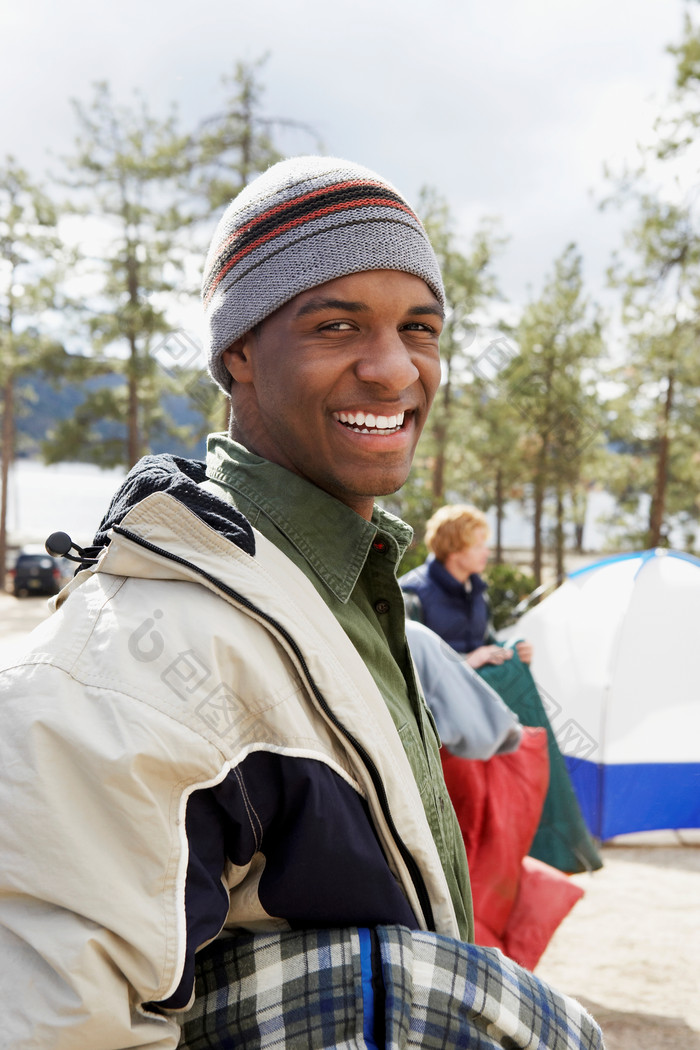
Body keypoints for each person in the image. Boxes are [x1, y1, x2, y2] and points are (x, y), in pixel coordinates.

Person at [0, 157, 604, 1049]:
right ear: (238, 351)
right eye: (337, 325)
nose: (395, 369)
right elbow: (62, 1024)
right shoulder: (126, 660)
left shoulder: (342, 593)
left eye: (420, 328)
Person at [400, 503, 603, 875]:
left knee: (517, 774)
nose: (486, 552)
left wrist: (510, 651)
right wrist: (468, 661)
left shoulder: (478, 592)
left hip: (483, 712)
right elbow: (403, 663)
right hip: (445, 728)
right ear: (454, 547)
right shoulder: (412, 594)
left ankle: (541, 851)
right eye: (479, 544)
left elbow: (485, 640)